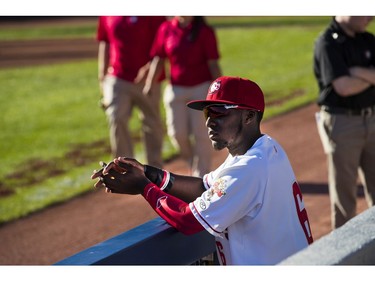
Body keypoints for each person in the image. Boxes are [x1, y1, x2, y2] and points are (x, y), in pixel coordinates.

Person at [91, 76, 314, 265]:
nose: (209, 122)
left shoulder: (249, 168)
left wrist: (143, 186)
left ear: (249, 116)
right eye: (207, 113)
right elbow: (203, 187)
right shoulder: (264, 148)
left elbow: (188, 220)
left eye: (219, 113)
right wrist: (148, 173)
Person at [313, 16, 375, 229]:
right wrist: (370, 76)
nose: (371, 17)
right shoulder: (327, 43)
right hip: (342, 123)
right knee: (345, 196)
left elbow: (349, 81)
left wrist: (356, 72)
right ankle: (345, 256)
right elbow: (343, 87)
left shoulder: (368, 39)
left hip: (373, 119)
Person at [143, 16, 222, 177]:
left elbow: (213, 63)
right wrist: (150, 83)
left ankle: (201, 175)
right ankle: (193, 162)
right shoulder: (166, 29)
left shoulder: (204, 31)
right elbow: (159, 58)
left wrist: (219, 91)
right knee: (177, 134)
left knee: (201, 134)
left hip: (200, 89)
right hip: (175, 90)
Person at [97, 16, 166, 168]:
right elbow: (105, 42)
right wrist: (102, 76)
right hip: (117, 76)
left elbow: (162, 43)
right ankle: (124, 166)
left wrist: (149, 68)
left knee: (151, 123)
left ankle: (154, 168)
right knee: (116, 116)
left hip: (148, 79)